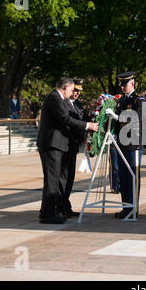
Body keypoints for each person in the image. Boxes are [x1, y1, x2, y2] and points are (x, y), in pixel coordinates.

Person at [37, 77, 98, 224]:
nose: (72, 93)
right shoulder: (54, 98)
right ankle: (47, 214)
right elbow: (65, 119)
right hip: (52, 144)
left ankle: (51, 210)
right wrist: (87, 126)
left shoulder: (59, 98)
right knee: (52, 180)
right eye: (72, 89)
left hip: (58, 145)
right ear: (65, 86)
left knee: (55, 179)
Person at [105, 71, 146, 219]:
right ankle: (126, 207)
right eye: (121, 85)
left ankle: (133, 208)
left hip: (133, 144)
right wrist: (114, 133)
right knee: (123, 177)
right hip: (121, 144)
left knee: (133, 176)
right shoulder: (121, 101)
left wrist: (117, 116)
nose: (122, 87)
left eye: (125, 84)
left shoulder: (139, 100)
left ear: (132, 83)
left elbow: (138, 118)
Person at [61, 78, 90, 218]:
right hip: (64, 144)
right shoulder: (63, 103)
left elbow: (84, 118)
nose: (77, 93)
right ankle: (61, 206)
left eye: (79, 91)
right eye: (75, 90)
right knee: (64, 177)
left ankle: (66, 205)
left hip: (73, 145)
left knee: (70, 177)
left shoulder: (77, 104)